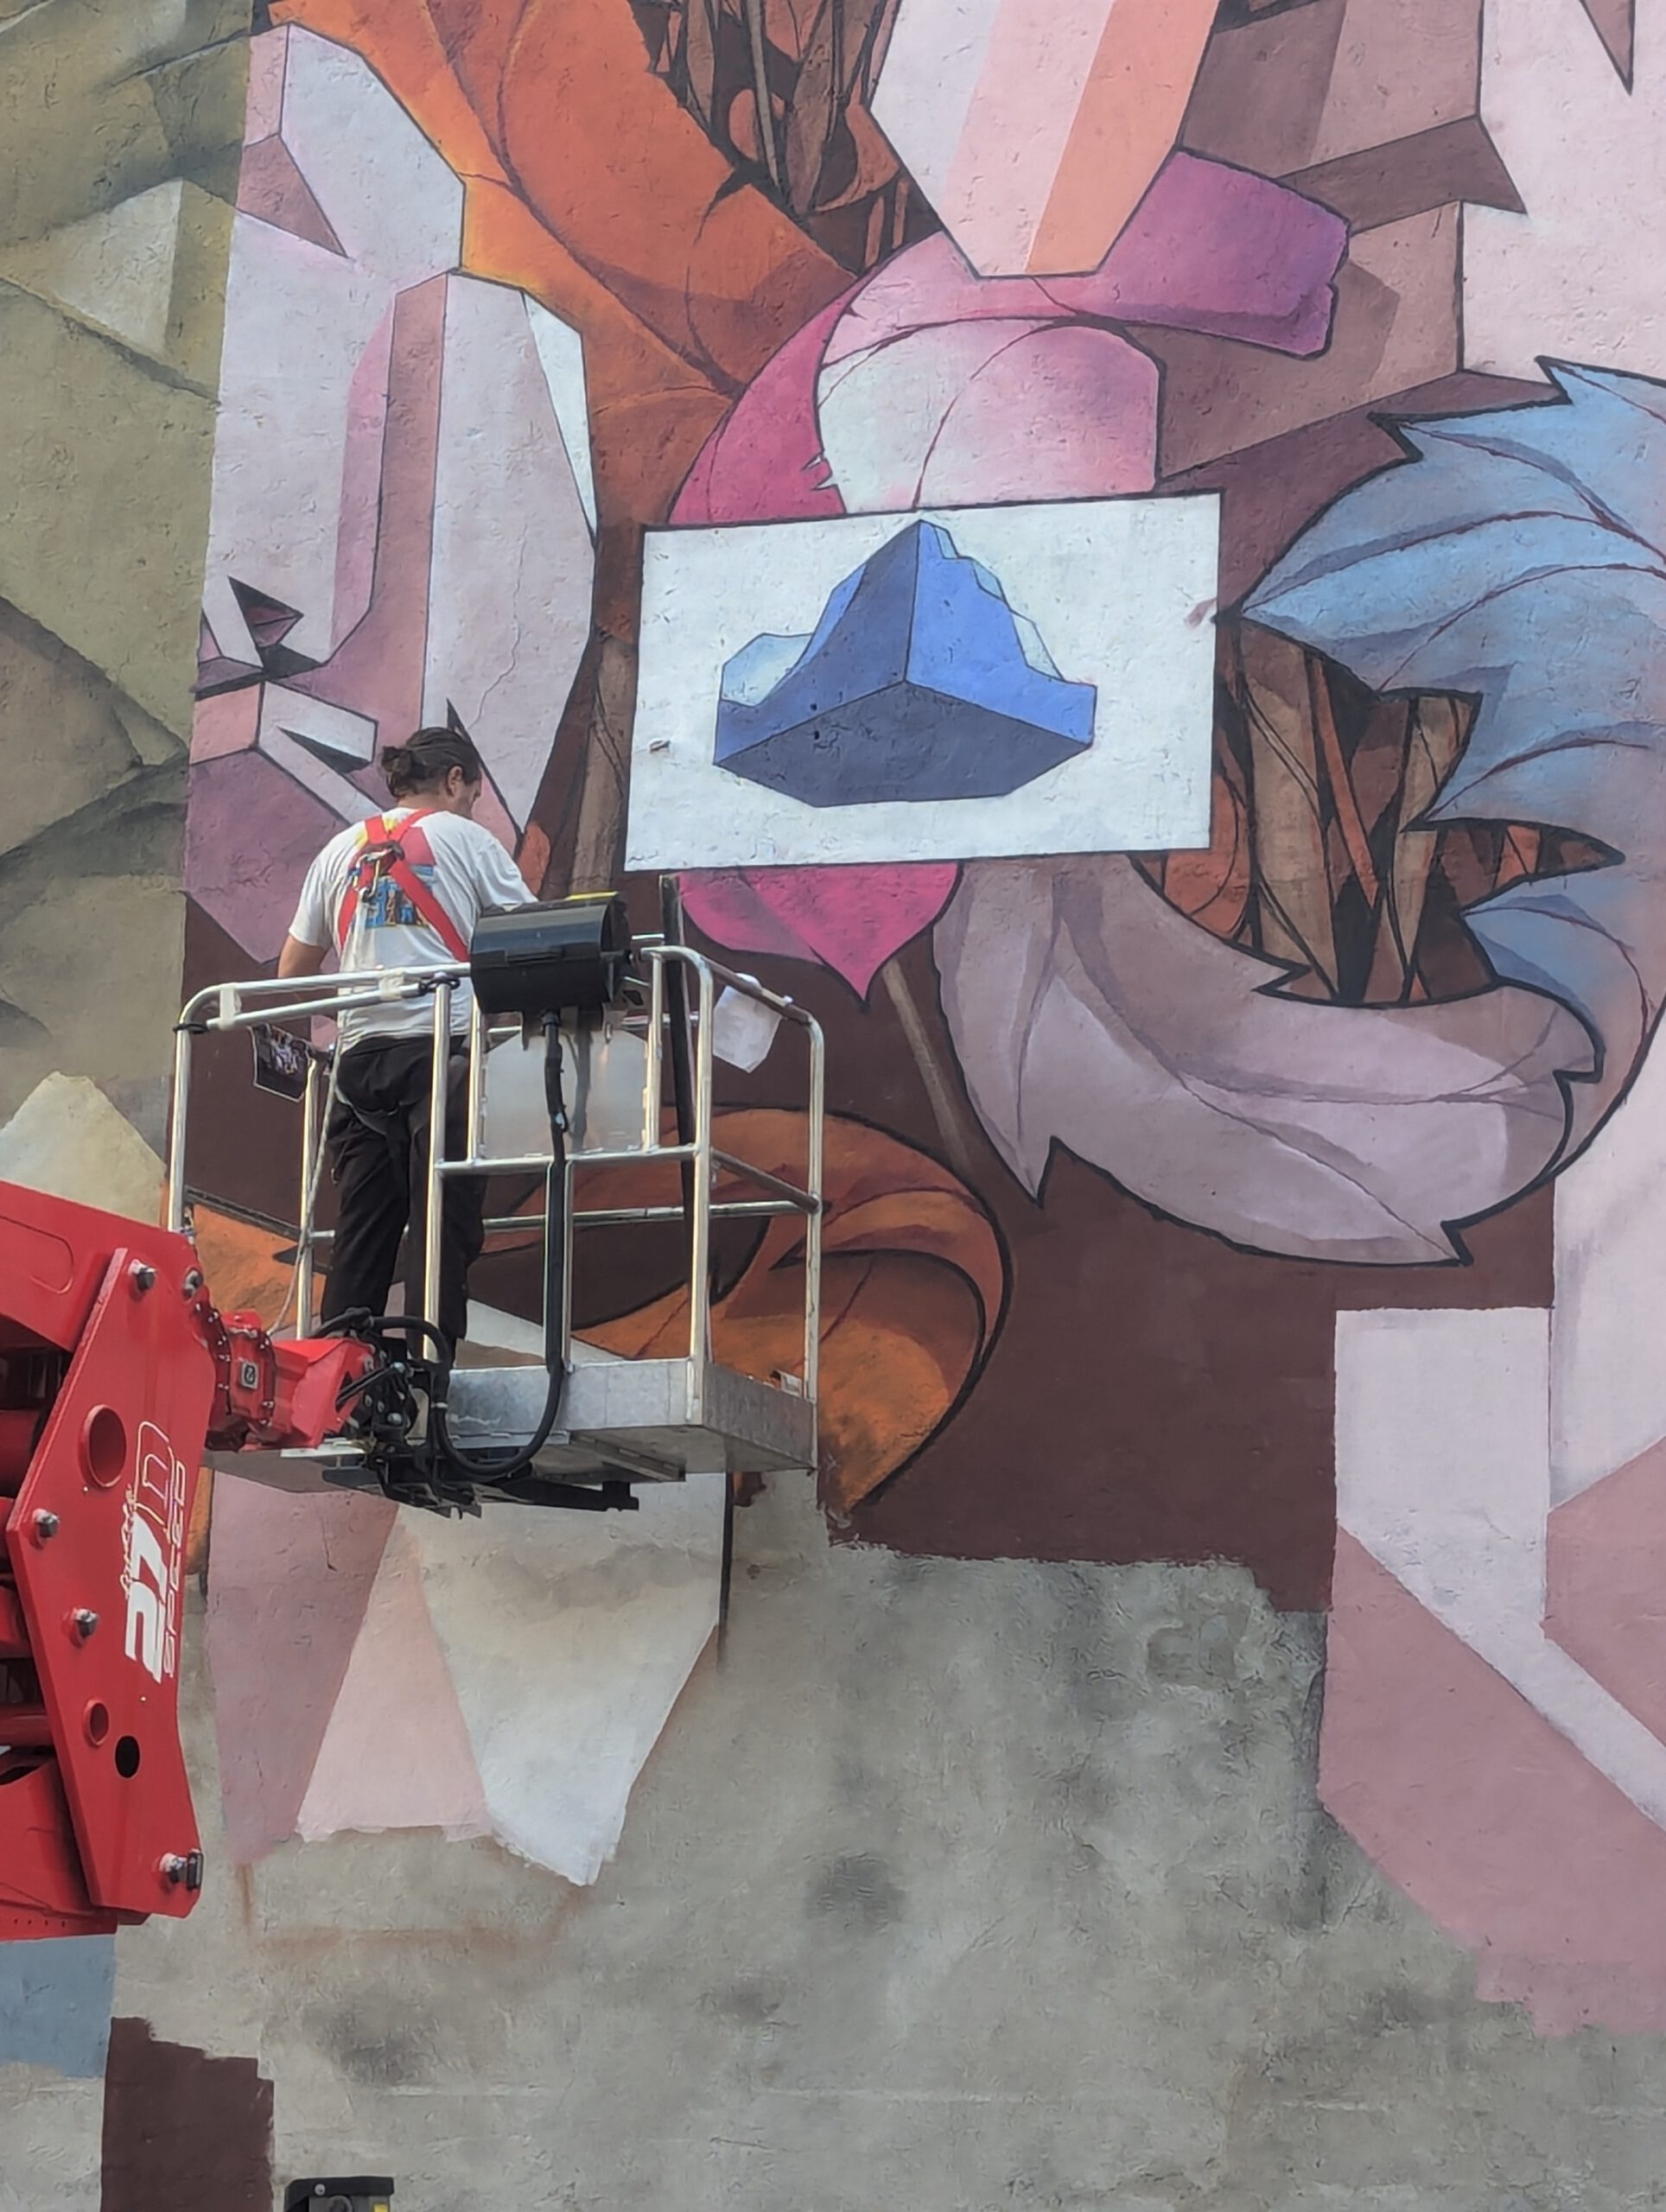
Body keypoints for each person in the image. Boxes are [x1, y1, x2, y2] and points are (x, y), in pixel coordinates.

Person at [277, 726, 535, 1354]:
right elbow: (535, 937)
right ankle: (427, 1371)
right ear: (454, 780)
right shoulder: (468, 841)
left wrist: (361, 993)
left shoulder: (340, 850)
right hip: (442, 1055)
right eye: (472, 796)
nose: (470, 807)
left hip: (360, 1065)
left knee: (362, 1233)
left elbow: (292, 972)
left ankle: (341, 1374)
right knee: (443, 1225)